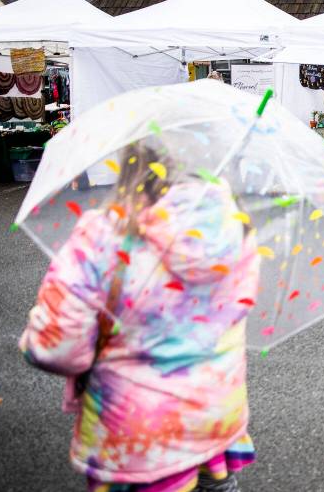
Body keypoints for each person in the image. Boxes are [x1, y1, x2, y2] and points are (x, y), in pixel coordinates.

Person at [19, 143, 259, 491]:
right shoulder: (233, 226)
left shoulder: (106, 234)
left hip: (139, 432)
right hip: (214, 415)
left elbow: (57, 347)